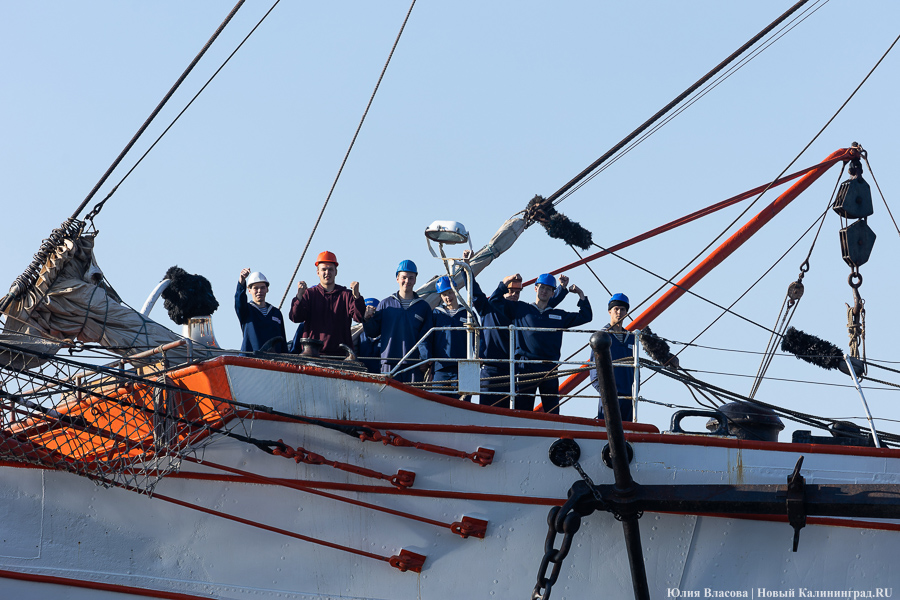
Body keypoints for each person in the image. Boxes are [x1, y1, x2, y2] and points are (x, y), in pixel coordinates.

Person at [489, 273, 591, 413]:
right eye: (542, 287)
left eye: (548, 289)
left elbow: (586, 316)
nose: (544, 291)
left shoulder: (559, 315)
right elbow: (494, 302)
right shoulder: (520, 309)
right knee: (523, 411)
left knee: (552, 412)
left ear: (553, 293)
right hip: (526, 367)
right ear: (535, 289)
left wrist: (581, 294)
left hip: (550, 368)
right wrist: (504, 283)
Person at [478, 273, 569, 408]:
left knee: (515, 410)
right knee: (491, 410)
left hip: (515, 367)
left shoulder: (521, 310)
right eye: (510, 291)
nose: (514, 295)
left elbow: (543, 307)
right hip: (493, 368)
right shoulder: (491, 308)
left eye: (517, 292)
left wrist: (562, 288)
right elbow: (490, 298)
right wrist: (503, 284)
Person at [590, 293, 679, 422]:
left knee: (628, 430)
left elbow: (641, 358)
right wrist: (606, 392)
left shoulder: (632, 338)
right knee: (606, 430)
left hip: (629, 396)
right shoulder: (601, 337)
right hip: (610, 396)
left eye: (622, 309)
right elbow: (594, 373)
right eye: (616, 309)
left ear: (626, 312)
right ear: (609, 311)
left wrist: (635, 389)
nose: (619, 312)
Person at [363, 260, 433, 383]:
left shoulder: (423, 307)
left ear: (415, 280)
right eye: (404, 277)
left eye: (411, 278)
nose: (407, 281)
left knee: (412, 396)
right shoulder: (386, 304)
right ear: (397, 279)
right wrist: (367, 319)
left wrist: (425, 359)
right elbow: (373, 332)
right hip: (389, 363)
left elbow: (426, 337)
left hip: (414, 365)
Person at [289, 251, 365, 356]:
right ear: (318, 272)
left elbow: (360, 317)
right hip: (313, 355)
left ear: (336, 272)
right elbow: (295, 317)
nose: (327, 272)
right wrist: (299, 297)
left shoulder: (346, 295)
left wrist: (357, 297)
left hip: (340, 356)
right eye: (323, 269)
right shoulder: (309, 294)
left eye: (330, 269)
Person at [428, 270, 487, 400]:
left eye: (450, 292)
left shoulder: (468, 313)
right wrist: (427, 358)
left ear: (456, 291)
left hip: (464, 367)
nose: (448, 297)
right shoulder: (436, 315)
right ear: (440, 296)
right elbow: (427, 339)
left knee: (463, 403)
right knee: (437, 403)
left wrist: (480, 354)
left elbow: (479, 335)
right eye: (444, 294)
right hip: (441, 367)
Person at [235, 269, 288, 353]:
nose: (259, 291)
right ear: (249, 290)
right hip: (251, 359)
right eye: (256, 288)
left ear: (267, 289)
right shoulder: (246, 310)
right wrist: (242, 281)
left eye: (262, 288)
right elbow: (239, 300)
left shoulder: (276, 313)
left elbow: (283, 340)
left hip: (274, 359)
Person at [355, 298, 382, 373]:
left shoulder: (386, 335)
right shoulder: (359, 335)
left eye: (374, 311)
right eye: (366, 312)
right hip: (363, 374)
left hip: (382, 373)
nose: (370, 314)